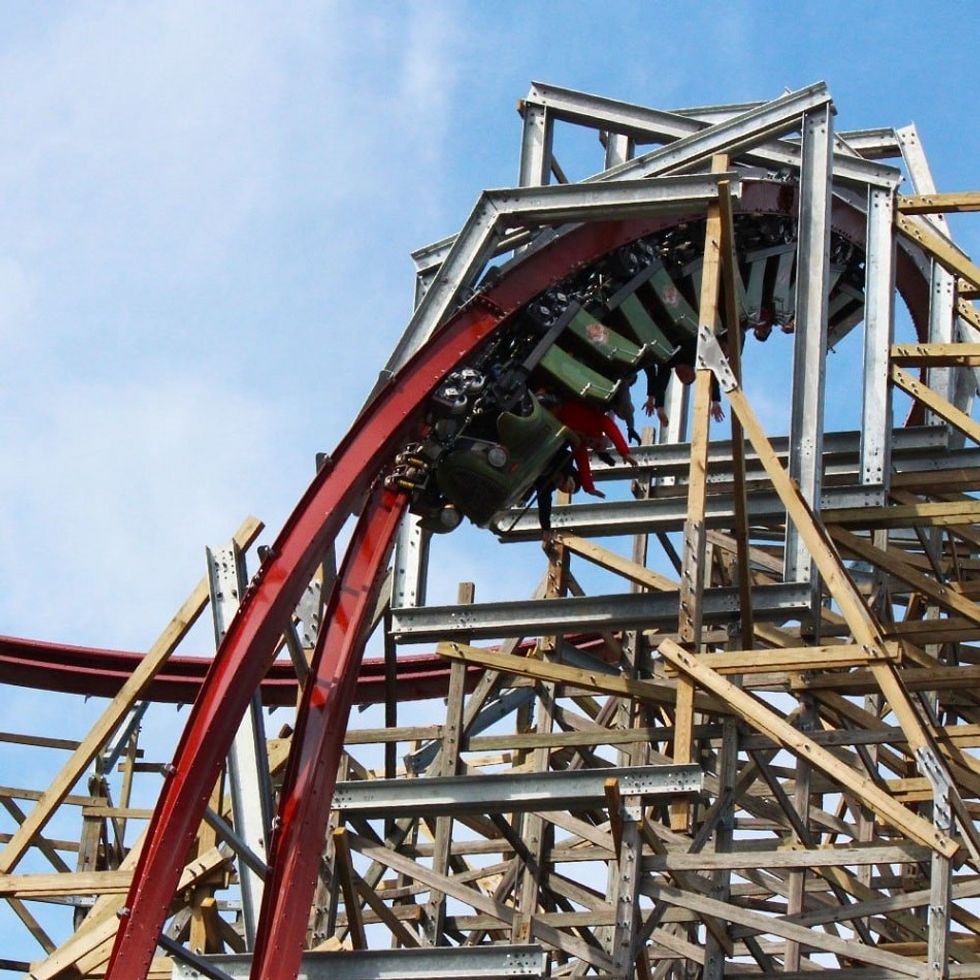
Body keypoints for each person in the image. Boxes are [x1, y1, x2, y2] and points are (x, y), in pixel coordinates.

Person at [552, 398, 637, 499]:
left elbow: (583, 464)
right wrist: (624, 452)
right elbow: (611, 428)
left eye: (594, 447)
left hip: (551, 416)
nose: (592, 444)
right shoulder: (597, 422)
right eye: (598, 444)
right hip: (558, 402)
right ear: (601, 436)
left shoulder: (579, 442)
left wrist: (589, 488)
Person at [642, 337, 723, 428]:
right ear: (691, 369)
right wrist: (715, 401)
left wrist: (658, 406)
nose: (682, 374)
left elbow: (661, 383)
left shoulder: (669, 362)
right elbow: (712, 372)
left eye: (681, 377)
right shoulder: (694, 355)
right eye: (687, 375)